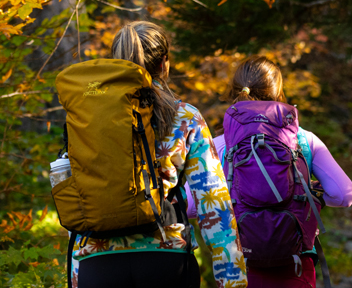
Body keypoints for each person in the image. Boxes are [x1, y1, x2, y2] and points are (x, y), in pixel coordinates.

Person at [72, 21, 247, 288]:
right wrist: (232, 280)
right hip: (166, 260)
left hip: (97, 260)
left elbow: (79, 193)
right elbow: (214, 204)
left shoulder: (87, 118)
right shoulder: (185, 117)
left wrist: (76, 273)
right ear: (165, 64)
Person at [186, 55, 352, 288]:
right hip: (296, 266)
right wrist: (310, 195)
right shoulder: (304, 141)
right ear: (278, 91)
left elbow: (191, 205)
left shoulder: (219, 145)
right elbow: (344, 195)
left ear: (236, 90)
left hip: (239, 268)